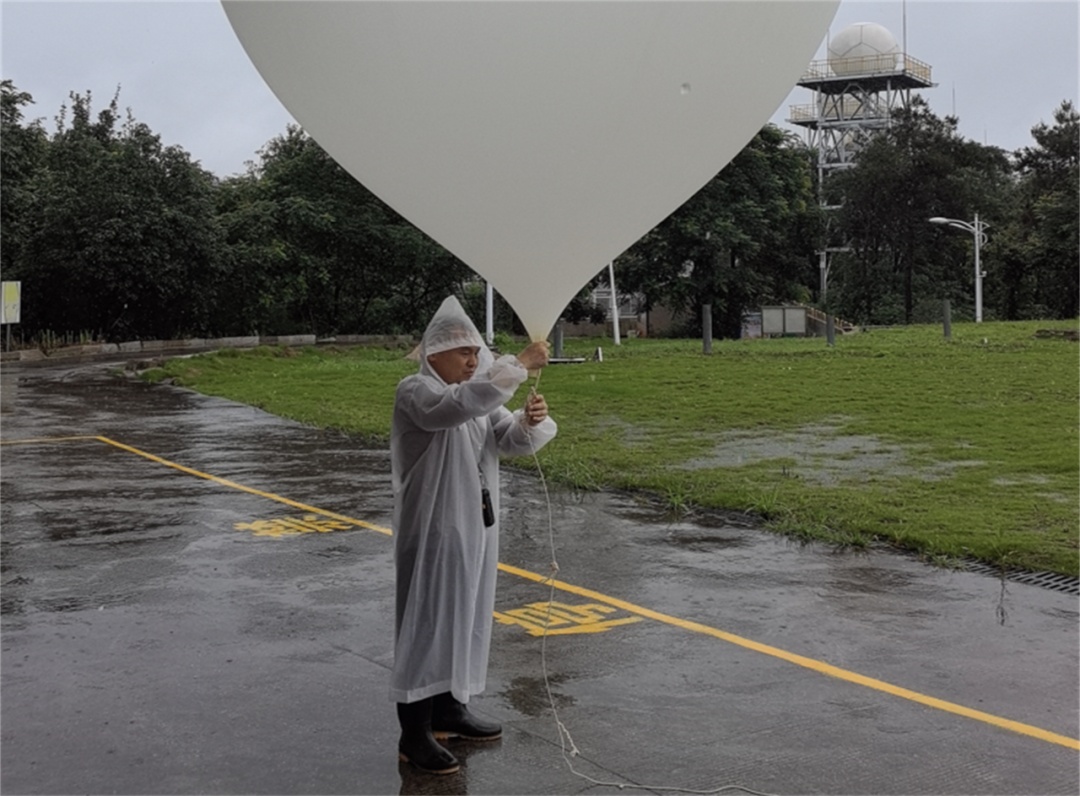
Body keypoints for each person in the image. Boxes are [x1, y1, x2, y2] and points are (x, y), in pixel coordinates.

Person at [389, 296, 557, 775]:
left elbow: (507, 440)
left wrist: (529, 419)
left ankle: (450, 708)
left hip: (474, 527)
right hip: (434, 529)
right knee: (428, 621)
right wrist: (516, 366)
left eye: (476, 352)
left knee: (466, 615)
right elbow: (453, 409)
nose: (472, 360)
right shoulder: (417, 391)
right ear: (433, 354)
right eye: (462, 351)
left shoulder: (477, 394)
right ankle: (413, 730)